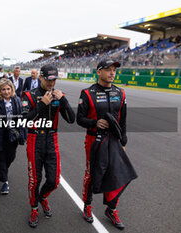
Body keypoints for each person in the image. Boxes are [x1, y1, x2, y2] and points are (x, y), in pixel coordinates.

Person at [77, 58, 137, 230]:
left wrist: (123, 141)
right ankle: (87, 206)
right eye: (108, 69)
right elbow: (79, 119)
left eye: (114, 70)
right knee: (91, 174)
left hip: (114, 141)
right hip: (94, 140)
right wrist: (94, 122)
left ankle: (111, 209)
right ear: (99, 72)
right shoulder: (88, 93)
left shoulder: (121, 93)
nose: (112, 73)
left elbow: (123, 120)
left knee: (120, 173)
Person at [22, 64, 75, 228]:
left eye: (54, 80)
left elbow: (71, 119)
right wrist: (41, 105)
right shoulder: (28, 95)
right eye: (49, 79)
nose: (52, 83)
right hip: (34, 139)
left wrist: (63, 100)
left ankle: (42, 197)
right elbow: (24, 121)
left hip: (52, 139)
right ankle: (34, 208)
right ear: (41, 77)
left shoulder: (59, 95)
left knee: (54, 180)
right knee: (34, 179)